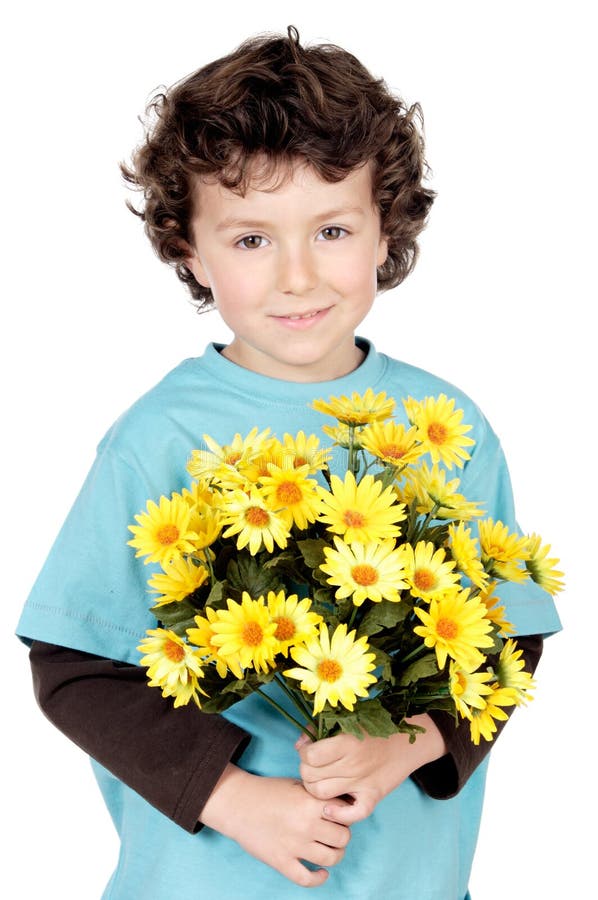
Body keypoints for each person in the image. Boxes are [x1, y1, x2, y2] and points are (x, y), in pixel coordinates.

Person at [17, 26, 560, 900]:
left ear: (387, 229)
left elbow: (511, 636)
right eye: (250, 240)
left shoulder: (445, 426)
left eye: (333, 229)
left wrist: (408, 742)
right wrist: (234, 798)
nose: (298, 277)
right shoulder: (160, 438)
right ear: (189, 249)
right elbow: (77, 668)